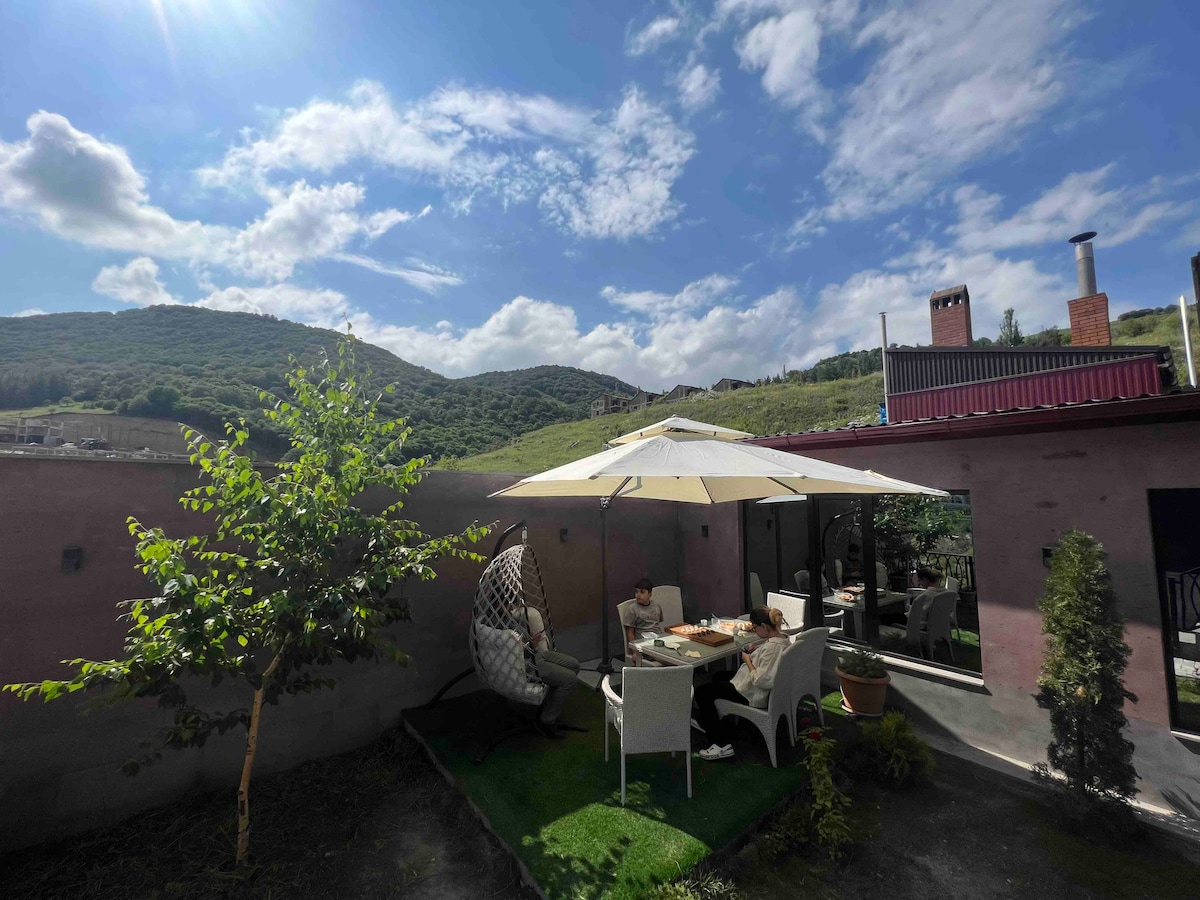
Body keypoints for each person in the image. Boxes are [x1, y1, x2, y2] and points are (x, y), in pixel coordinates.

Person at [692, 606, 790, 760]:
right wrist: (759, 648)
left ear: (764, 627)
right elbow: (770, 651)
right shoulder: (783, 639)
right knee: (719, 676)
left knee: (702, 692)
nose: (754, 631)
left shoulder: (771, 648)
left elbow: (761, 680)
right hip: (757, 687)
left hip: (754, 693)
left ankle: (720, 744)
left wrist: (747, 660)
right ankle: (721, 721)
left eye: (755, 627)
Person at [513, 602, 580, 738]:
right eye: (510, 605)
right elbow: (514, 651)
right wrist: (529, 643)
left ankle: (549, 707)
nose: (513, 608)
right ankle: (547, 721)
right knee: (570, 679)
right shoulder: (500, 627)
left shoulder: (512, 619)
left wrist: (531, 641)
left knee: (574, 665)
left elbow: (523, 642)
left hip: (535, 654)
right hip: (526, 664)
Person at [620, 577, 664, 650]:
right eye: (636, 592)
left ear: (650, 594)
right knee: (663, 659)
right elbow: (630, 632)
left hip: (658, 640)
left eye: (642, 592)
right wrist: (635, 651)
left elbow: (658, 624)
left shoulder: (656, 606)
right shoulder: (632, 609)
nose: (638, 595)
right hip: (643, 643)